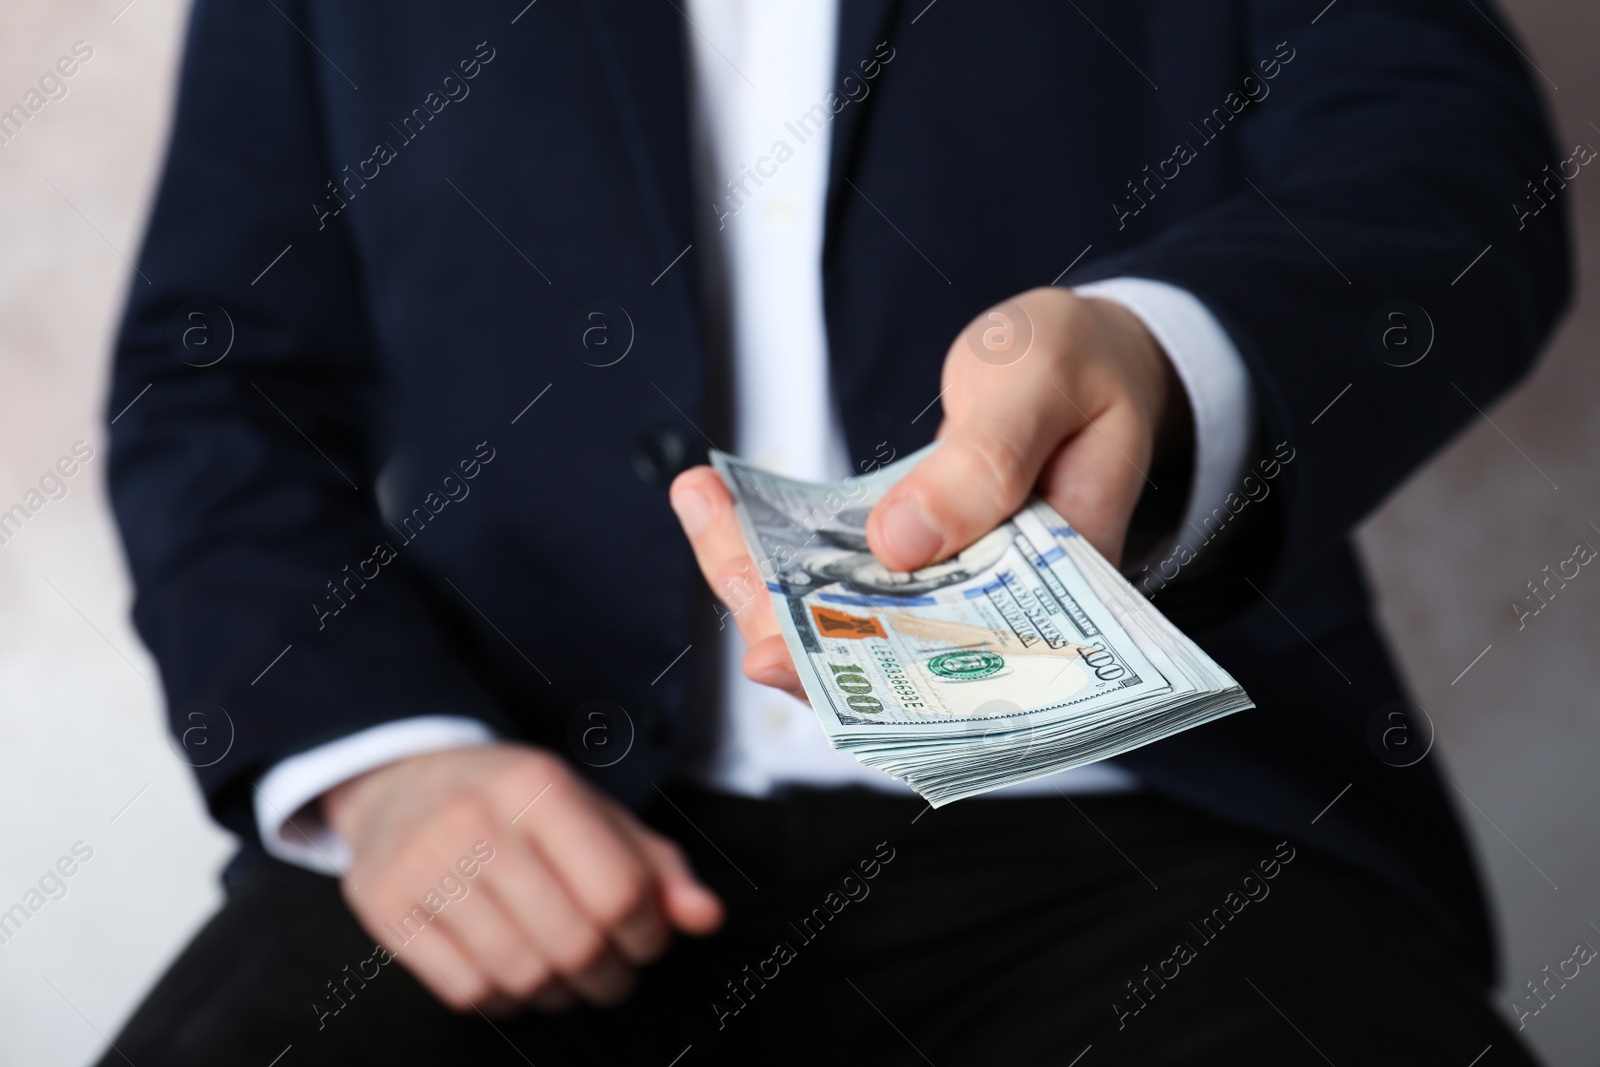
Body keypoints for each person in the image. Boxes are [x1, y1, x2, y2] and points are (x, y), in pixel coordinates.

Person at [100, 0, 1569, 1063]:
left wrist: (1163, 359)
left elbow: (1458, 165)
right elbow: (213, 376)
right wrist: (389, 769)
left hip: (1158, 817)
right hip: (521, 797)